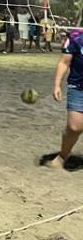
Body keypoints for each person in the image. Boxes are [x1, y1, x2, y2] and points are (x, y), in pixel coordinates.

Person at [45, 28, 83, 170]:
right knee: (74, 127)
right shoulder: (77, 36)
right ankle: (63, 155)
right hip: (78, 86)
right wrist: (57, 85)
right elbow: (64, 62)